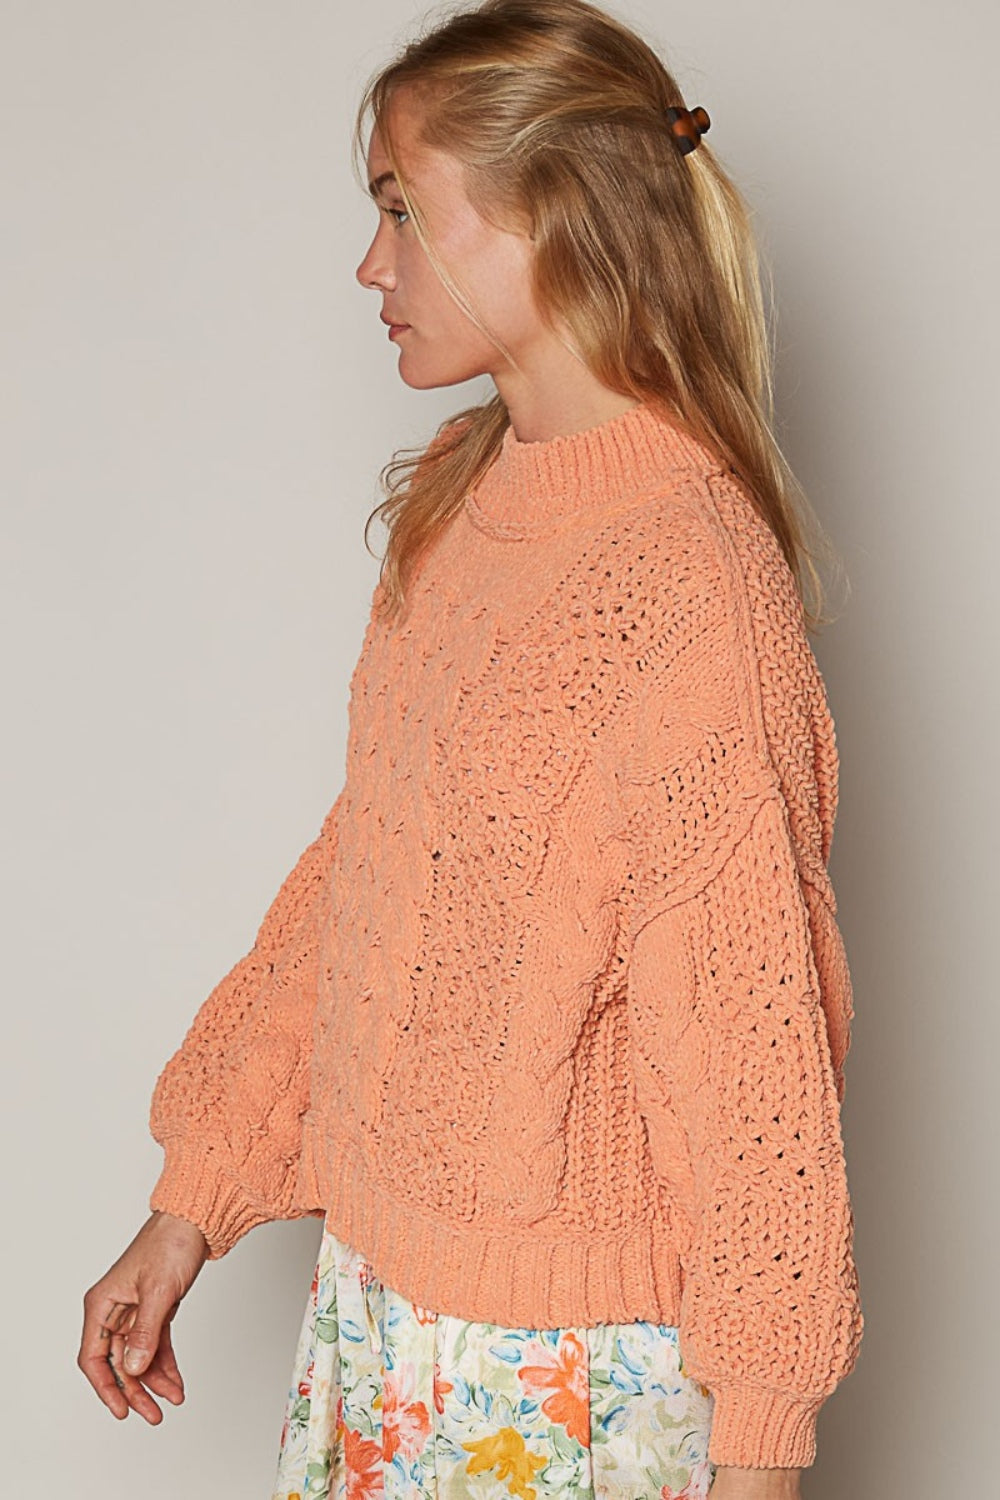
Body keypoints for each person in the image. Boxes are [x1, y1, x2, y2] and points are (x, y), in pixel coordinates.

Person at [77, 2, 865, 1495]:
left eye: (399, 209)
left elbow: (753, 1069)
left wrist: (761, 1454)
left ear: (551, 218)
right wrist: (193, 1205)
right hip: (379, 1319)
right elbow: (371, 877)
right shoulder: (464, 493)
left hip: (566, 1384)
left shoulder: (692, 582)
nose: (369, 267)